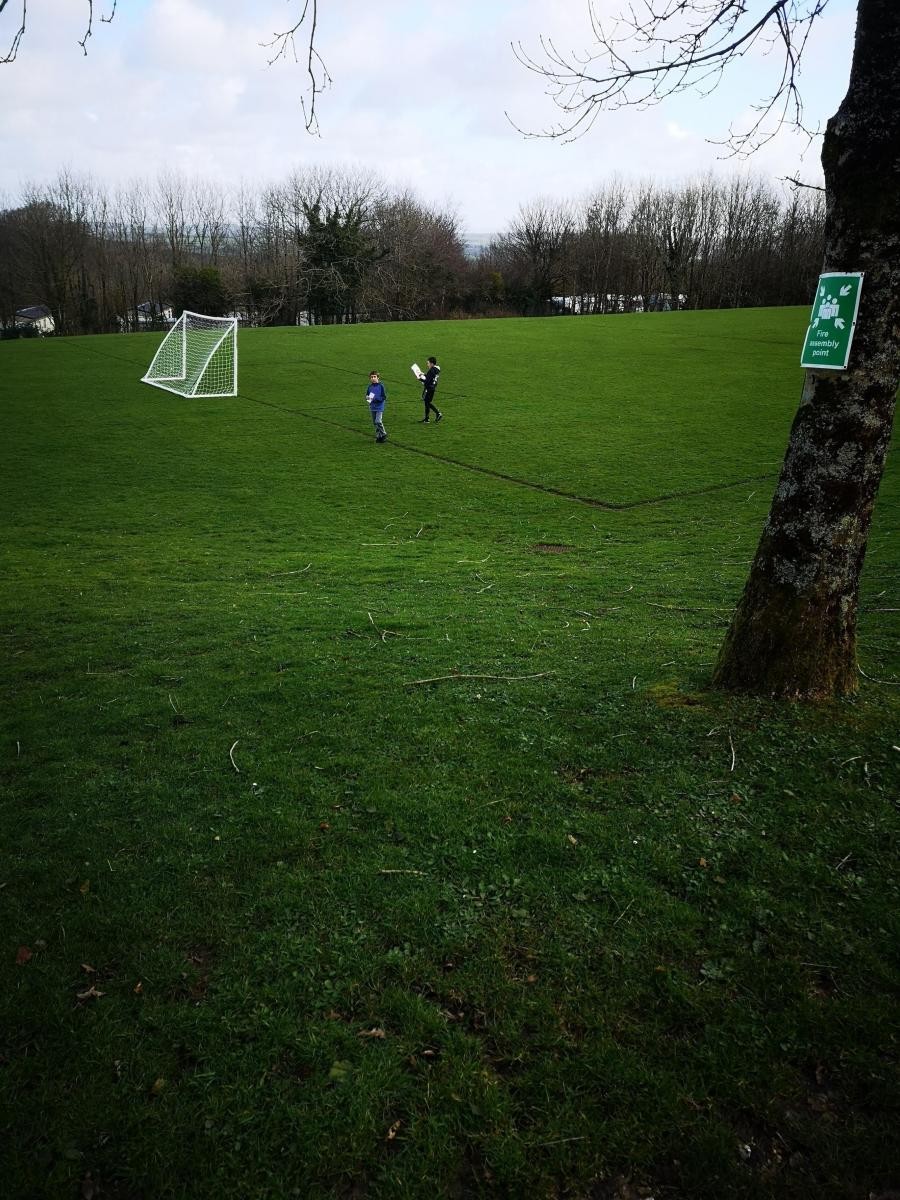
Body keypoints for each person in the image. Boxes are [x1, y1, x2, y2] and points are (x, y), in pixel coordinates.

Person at [365, 370, 388, 443]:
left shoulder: (381, 386)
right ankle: (379, 436)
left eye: (374, 377)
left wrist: (376, 399)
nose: (373, 378)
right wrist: (367, 398)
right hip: (372, 407)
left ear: (378, 378)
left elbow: (384, 397)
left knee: (378, 421)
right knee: (375, 423)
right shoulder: (370, 387)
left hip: (379, 407)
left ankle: (384, 434)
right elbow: (368, 396)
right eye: (371, 377)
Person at [418, 356, 442, 423]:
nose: (427, 365)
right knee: (427, 402)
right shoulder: (436, 370)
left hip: (429, 388)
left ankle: (438, 413)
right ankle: (427, 418)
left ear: (431, 363)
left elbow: (427, 381)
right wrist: (424, 374)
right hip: (432, 388)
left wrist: (420, 379)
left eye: (428, 363)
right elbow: (431, 377)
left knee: (427, 402)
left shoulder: (431, 371)